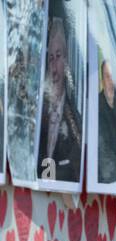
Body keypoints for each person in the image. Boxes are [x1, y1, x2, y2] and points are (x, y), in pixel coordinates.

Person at [39, 16, 83, 184]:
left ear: (65, 60)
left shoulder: (73, 117)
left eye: (58, 56)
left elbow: (75, 171)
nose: (54, 64)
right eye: (51, 57)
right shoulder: (41, 110)